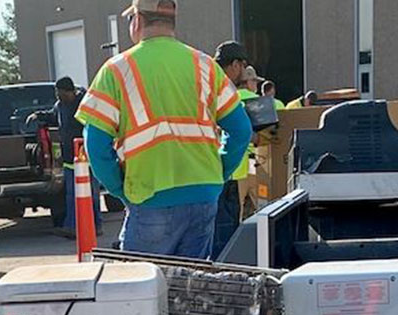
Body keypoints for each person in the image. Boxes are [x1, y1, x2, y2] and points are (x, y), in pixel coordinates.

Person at [77, 0, 253, 260]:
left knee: (142, 290)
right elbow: (240, 130)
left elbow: (95, 145)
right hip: (203, 195)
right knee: (187, 288)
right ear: (171, 22)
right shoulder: (205, 66)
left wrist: (120, 190)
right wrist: (218, 173)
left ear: (137, 21)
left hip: (150, 196)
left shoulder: (116, 70)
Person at [211, 41, 257, 258]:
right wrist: (224, 167)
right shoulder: (222, 87)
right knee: (224, 244)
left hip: (195, 174)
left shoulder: (202, 80)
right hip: (221, 175)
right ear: (236, 64)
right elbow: (241, 131)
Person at [51, 76, 101, 238]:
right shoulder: (59, 106)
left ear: (70, 91)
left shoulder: (84, 103)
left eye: (61, 93)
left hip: (86, 158)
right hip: (69, 159)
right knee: (71, 195)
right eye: (57, 93)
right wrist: (38, 115)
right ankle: (72, 227)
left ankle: (96, 225)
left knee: (91, 194)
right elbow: (52, 116)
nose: (59, 96)